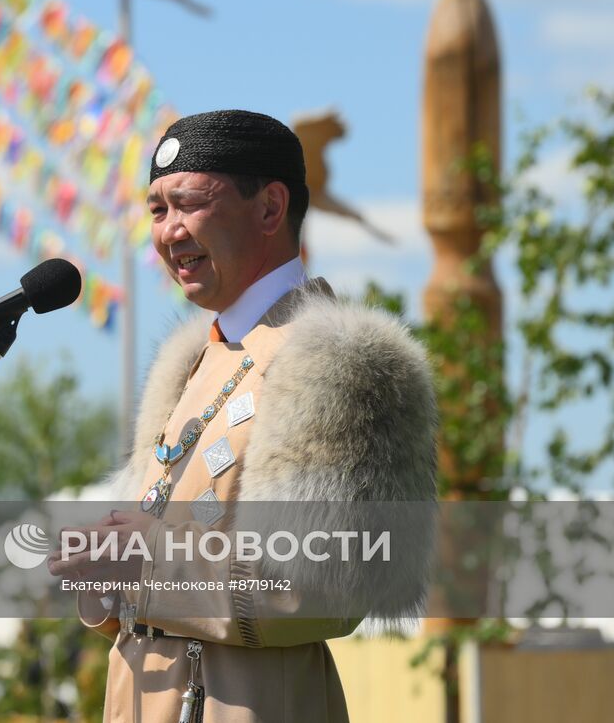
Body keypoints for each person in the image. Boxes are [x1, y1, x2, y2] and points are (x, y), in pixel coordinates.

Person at [49, 110, 438, 722]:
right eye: (156, 210)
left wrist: (147, 564)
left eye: (188, 205)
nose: (169, 231)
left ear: (269, 208)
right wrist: (101, 572)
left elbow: (321, 590)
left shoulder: (343, 361)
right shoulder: (190, 363)